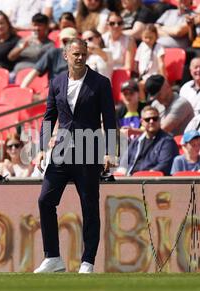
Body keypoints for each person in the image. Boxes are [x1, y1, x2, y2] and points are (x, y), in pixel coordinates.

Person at [33, 38, 116, 274]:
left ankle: (87, 262)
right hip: (60, 150)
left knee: (89, 206)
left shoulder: (100, 83)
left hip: (89, 150)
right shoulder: (56, 82)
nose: (80, 58)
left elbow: (109, 118)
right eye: (75, 54)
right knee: (45, 200)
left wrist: (110, 150)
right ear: (65, 56)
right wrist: (41, 148)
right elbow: (49, 117)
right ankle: (53, 258)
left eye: (83, 54)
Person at [116, 106, 179, 176]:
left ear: (159, 120)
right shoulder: (136, 142)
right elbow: (123, 163)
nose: (151, 121)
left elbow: (165, 166)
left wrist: (145, 175)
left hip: (151, 183)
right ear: (142, 122)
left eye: (155, 118)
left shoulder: (167, 142)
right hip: (131, 180)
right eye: (147, 119)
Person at [135, 24, 165, 99]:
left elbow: (161, 63)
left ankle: (143, 104)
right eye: (145, 37)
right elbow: (137, 62)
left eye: (150, 38)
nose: (148, 40)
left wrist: (163, 79)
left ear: (156, 37)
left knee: (139, 86)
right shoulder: (142, 46)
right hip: (143, 77)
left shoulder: (158, 47)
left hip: (154, 77)